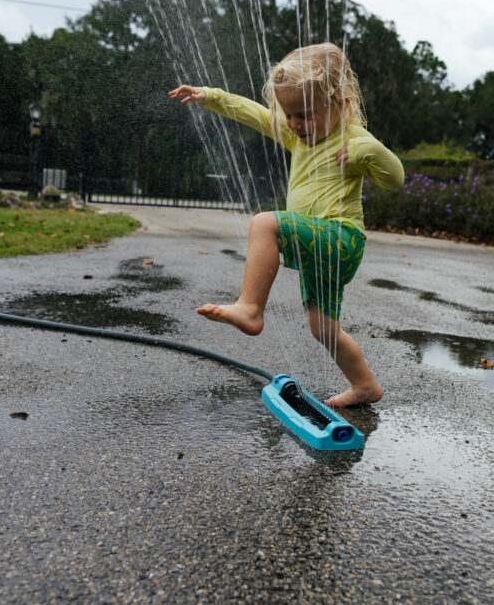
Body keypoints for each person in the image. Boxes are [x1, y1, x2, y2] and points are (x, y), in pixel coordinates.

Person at [168, 42, 405, 408]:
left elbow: (395, 179)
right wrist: (210, 96)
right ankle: (365, 386)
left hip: (341, 238)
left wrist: (369, 152)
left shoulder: (353, 139)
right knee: (323, 328)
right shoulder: (297, 136)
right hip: (317, 250)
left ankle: (250, 308)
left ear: (339, 105)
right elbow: (253, 113)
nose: (294, 123)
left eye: (304, 114)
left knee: (265, 223)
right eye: (289, 113)